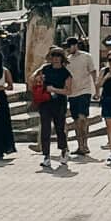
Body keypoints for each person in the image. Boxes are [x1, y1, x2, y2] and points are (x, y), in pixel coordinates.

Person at [33, 37, 73, 170]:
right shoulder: (45, 69)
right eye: (53, 56)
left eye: (58, 56)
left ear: (62, 58)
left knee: (59, 128)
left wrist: (54, 90)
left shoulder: (65, 73)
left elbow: (68, 90)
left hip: (59, 103)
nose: (55, 58)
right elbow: (34, 78)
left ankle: (63, 150)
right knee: (45, 128)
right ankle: (46, 156)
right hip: (45, 102)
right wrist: (38, 80)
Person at [62, 31, 97, 160]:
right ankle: (80, 145)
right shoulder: (67, 60)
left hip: (84, 91)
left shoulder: (86, 57)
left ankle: (85, 144)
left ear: (75, 45)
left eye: (70, 46)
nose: (68, 48)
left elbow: (93, 72)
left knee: (83, 118)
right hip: (72, 94)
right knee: (76, 120)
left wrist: (96, 89)